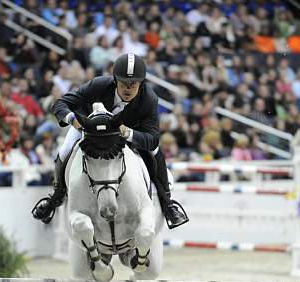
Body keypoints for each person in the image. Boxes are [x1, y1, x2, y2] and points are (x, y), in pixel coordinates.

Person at [33, 53, 189, 229]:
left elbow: (152, 139)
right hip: (89, 129)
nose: (128, 89)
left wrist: (128, 133)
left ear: (141, 83)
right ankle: (55, 197)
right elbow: (60, 103)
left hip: (125, 133)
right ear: (115, 80)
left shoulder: (148, 99)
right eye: (123, 84)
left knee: (154, 151)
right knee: (66, 148)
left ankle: (168, 204)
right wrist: (72, 120)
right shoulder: (98, 85)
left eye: (133, 84)